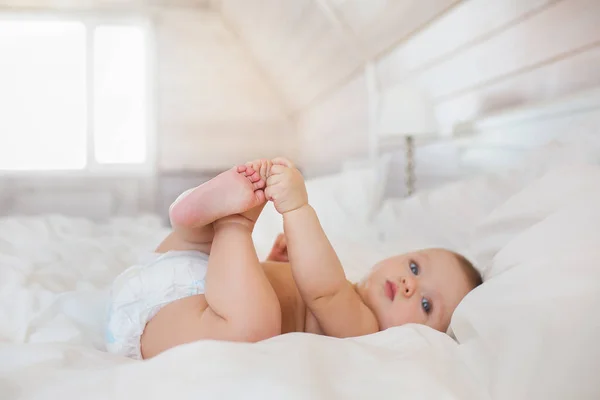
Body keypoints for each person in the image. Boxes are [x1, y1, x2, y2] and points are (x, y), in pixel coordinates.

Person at [105, 158, 482, 360]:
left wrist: (296, 208)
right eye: (414, 267)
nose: (408, 284)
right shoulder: (349, 292)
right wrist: (275, 265)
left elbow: (323, 290)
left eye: (427, 304)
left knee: (256, 324)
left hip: (175, 317)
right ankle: (205, 223)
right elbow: (310, 288)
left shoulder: (368, 330)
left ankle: (222, 223)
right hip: (196, 284)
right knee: (248, 303)